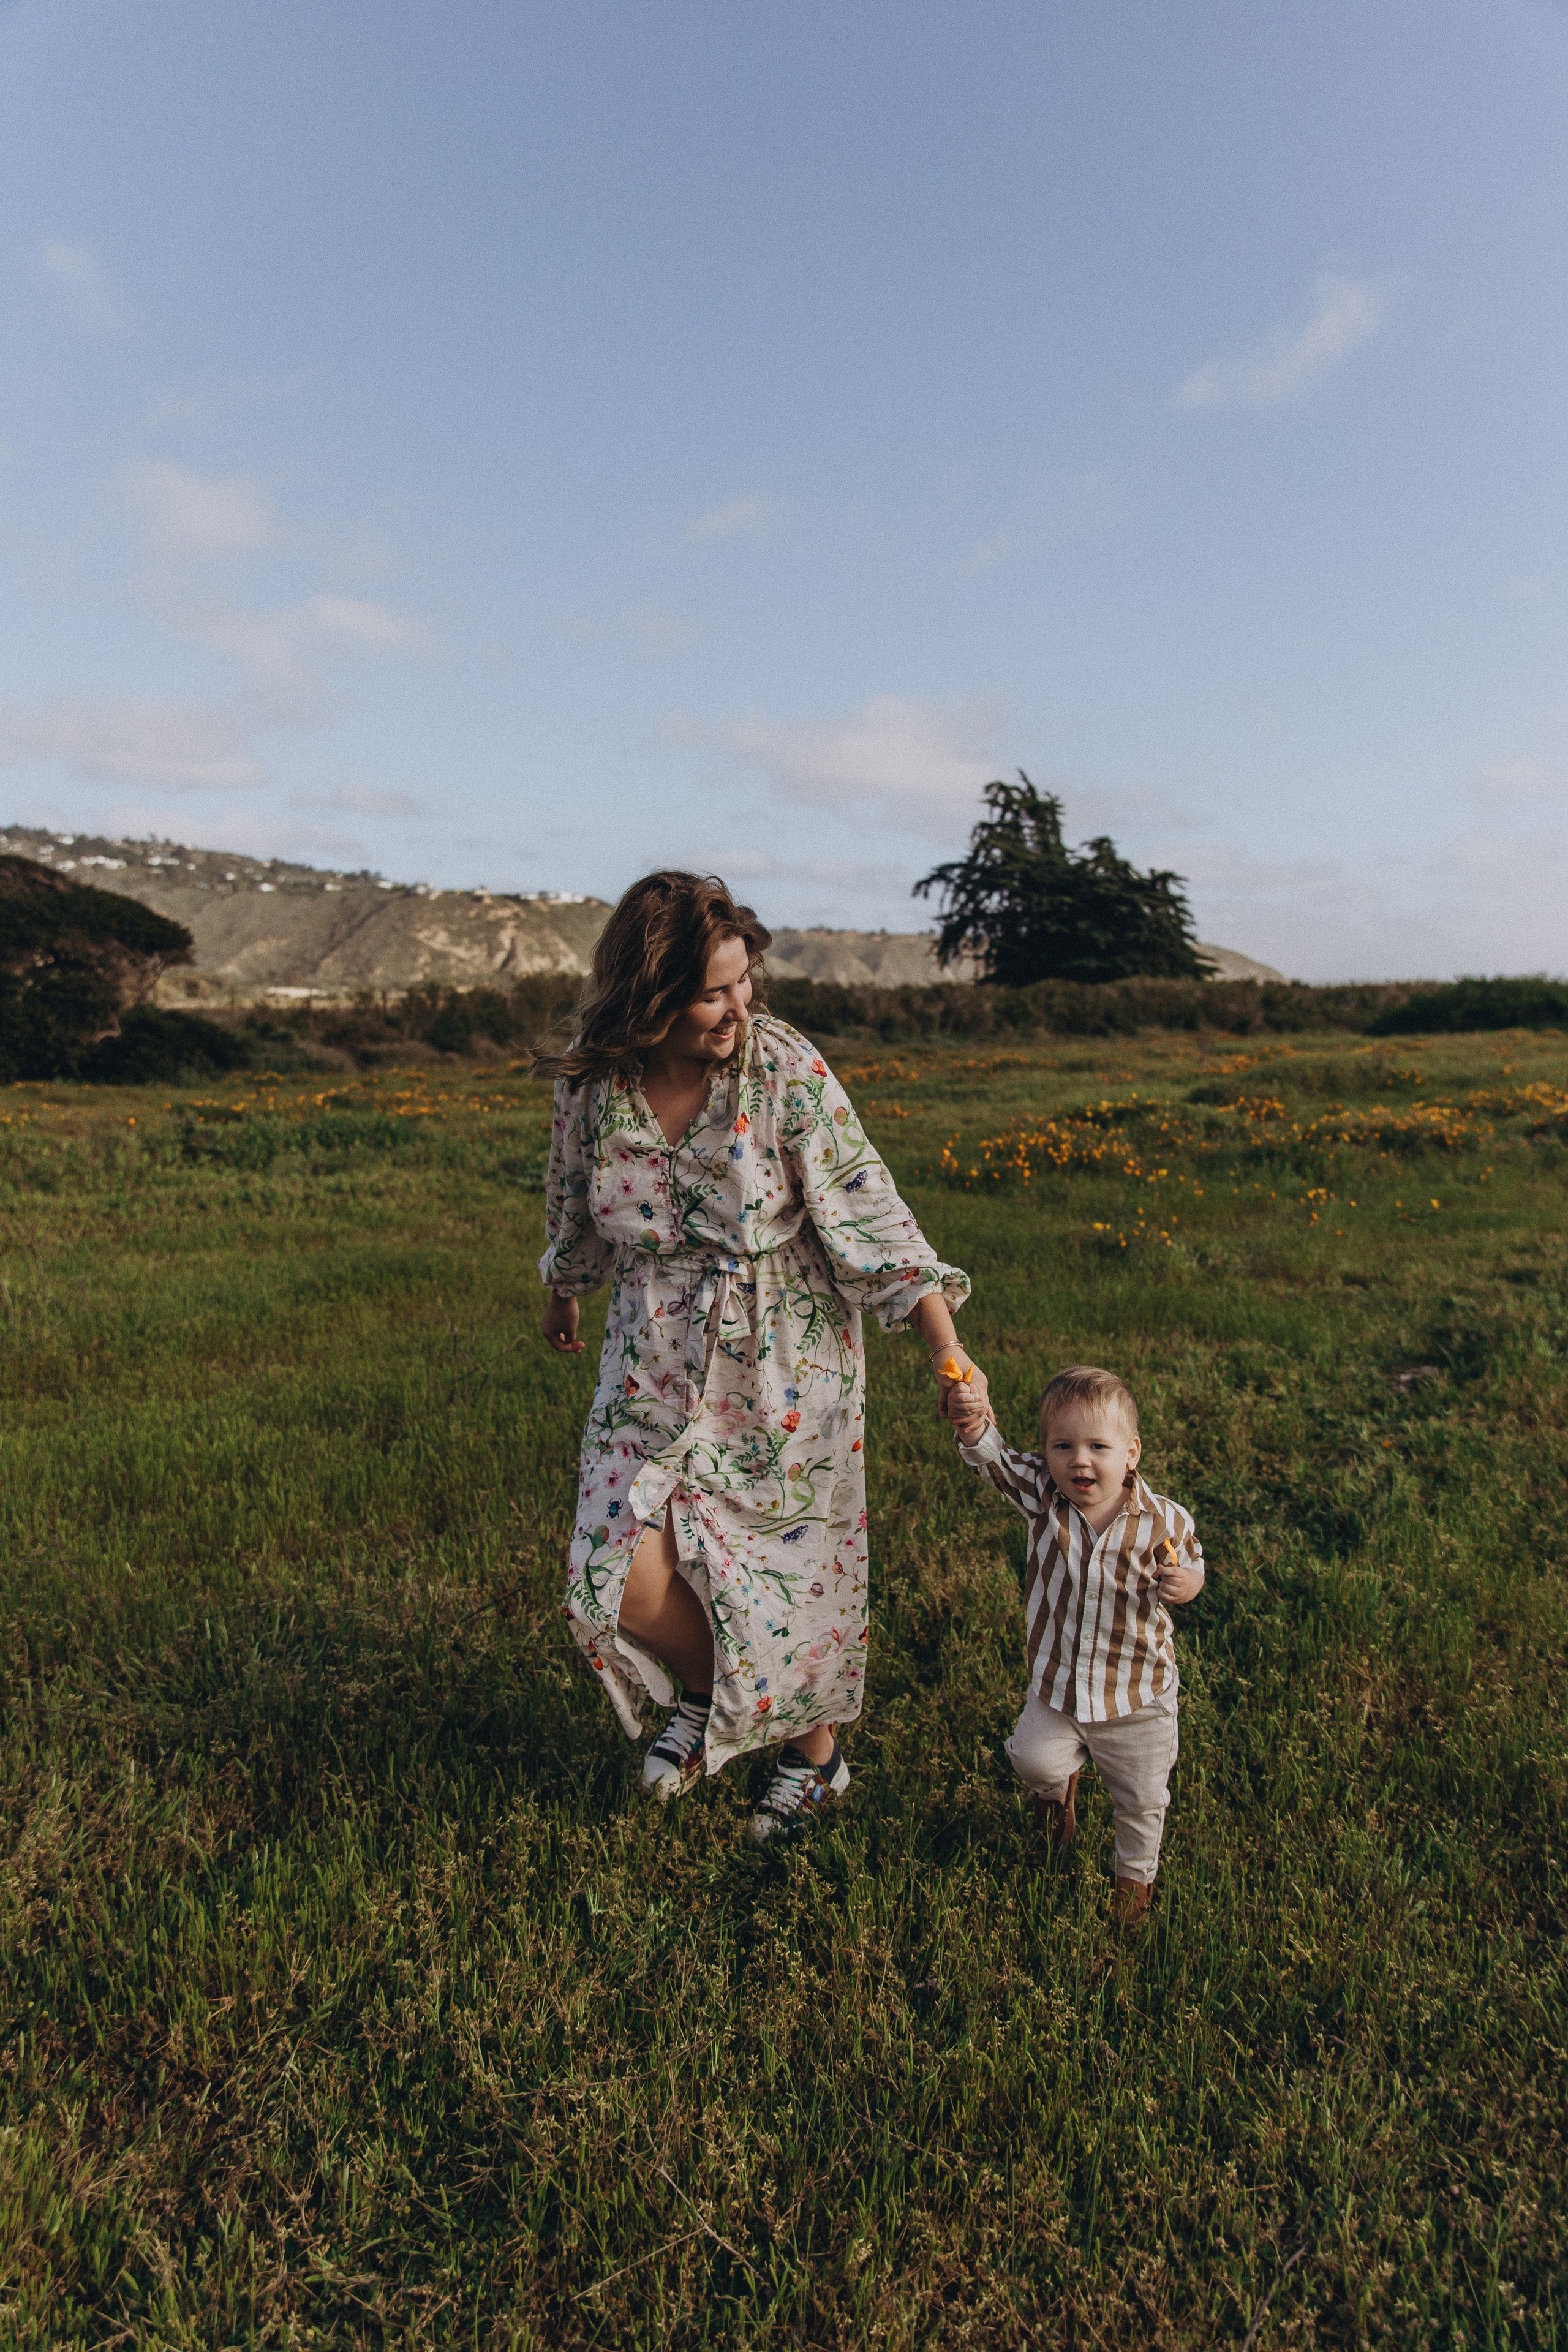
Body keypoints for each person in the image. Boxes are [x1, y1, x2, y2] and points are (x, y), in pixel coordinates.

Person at [535, 870, 986, 1841]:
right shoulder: (592, 1084)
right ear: (648, 996)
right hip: (648, 1354)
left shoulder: (782, 1068)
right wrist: (564, 1286)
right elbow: (574, 1198)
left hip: (784, 1356)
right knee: (608, 1571)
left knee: (790, 1575)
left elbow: (872, 1212)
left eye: (746, 982)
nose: (740, 1007)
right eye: (713, 992)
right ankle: (714, 1702)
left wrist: (948, 1349)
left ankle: (816, 1758)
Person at [945, 1362, 1204, 1923]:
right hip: (1059, 1683)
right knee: (1034, 1760)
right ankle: (1057, 1796)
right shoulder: (1044, 1496)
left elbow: (1194, 1562)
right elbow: (996, 1462)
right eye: (1062, 1446)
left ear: (1131, 1454)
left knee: (1140, 1801)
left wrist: (1186, 1584)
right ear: (1045, 1453)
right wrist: (971, 1425)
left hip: (1136, 1696)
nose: (1079, 1461)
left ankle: (1131, 1891)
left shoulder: (1162, 1522)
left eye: (1097, 1447)